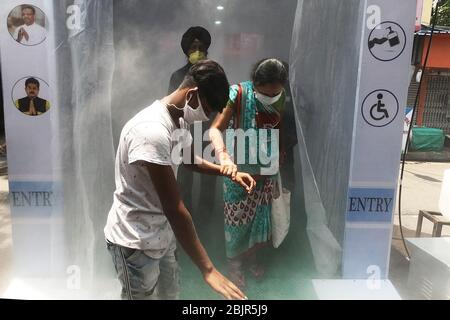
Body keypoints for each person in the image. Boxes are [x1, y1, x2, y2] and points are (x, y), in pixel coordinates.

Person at [104, 60, 255, 300]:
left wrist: (225, 171)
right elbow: (174, 208)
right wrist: (209, 270)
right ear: (193, 94)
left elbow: (188, 160)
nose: (208, 116)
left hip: (162, 235)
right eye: (207, 109)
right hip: (135, 242)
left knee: (169, 295)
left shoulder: (178, 118)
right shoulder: (151, 130)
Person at [209, 58, 288, 289]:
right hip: (237, 173)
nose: (271, 97)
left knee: (261, 222)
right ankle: (235, 265)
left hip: (266, 172)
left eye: (275, 93)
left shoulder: (280, 96)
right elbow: (215, 129)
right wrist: (223, 155)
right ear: (256, 84)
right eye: (266, 93)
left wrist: (279, 153)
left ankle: (253, 258)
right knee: (236, 224)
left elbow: (278, 124)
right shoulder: (238, 93)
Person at [168, 26, 212, 213]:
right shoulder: (178, 76)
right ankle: (186, 213)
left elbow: (220, 101)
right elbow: (170, 104)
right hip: (183, 131)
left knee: (209, 176)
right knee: (185, 175)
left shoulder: (213, 73)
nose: (197, 52)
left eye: (200, 47)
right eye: (193, 48)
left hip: (208, 131)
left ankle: (207, 216)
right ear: (186, 51)